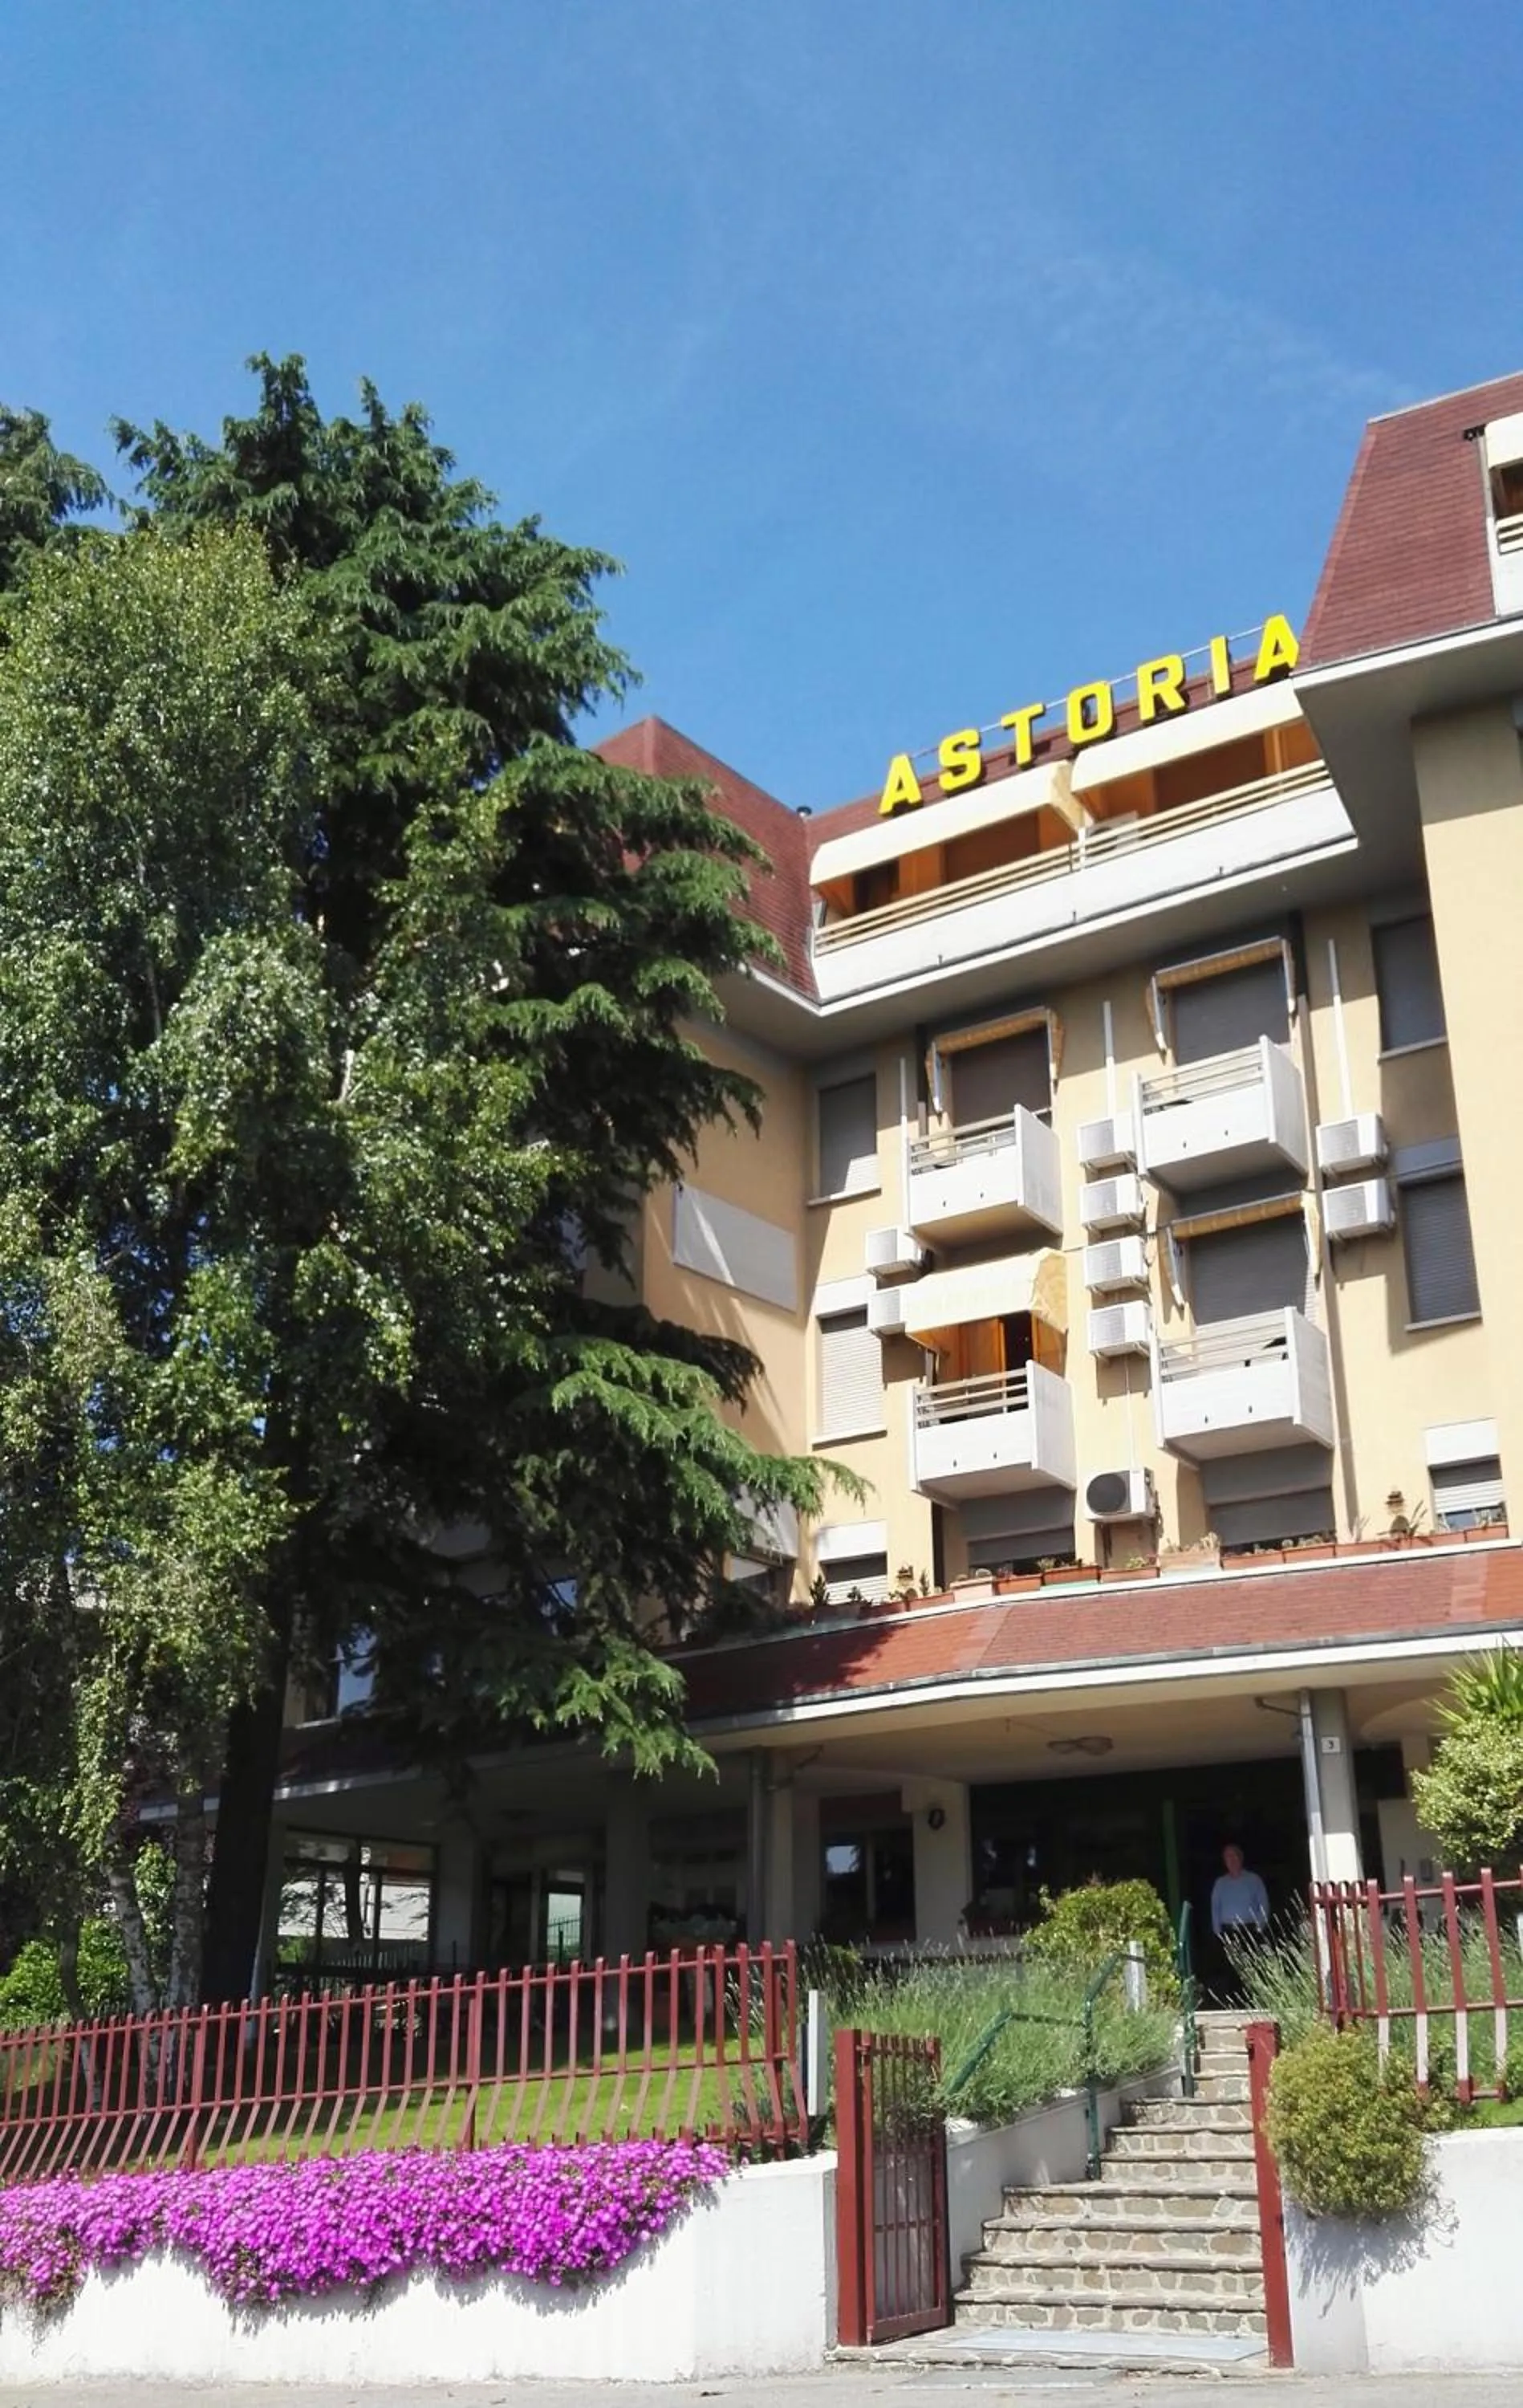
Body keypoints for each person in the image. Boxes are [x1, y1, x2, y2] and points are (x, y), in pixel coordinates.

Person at [1211, 1843, 1270, 1946]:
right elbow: (1215, 1907)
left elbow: (1264, 1904)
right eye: (1228, 1857)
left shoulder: (1254, 1880)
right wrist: (1218, 1933)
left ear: (1241, 1858)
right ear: (1225, 1861)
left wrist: (1259, 1928)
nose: (1231, 1860)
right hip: (1227, 1932)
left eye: (1234, 1856)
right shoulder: (1220, 1883)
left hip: (1250, 1931)